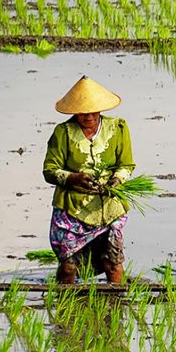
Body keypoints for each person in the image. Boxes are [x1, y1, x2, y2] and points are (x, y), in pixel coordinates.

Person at [42, 76, 135, 284]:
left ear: (101, 109)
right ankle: (63, 309)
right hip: (72, 209)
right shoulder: (63, 133)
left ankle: (117, 307)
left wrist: (116, 181)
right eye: (82, 112)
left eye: (93, 111)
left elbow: (126, 165)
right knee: (68, 266)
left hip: (109, 207)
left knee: (113, 262)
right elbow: (50, 170)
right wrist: (73, 178)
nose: (88, 116)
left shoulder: (118, 129)